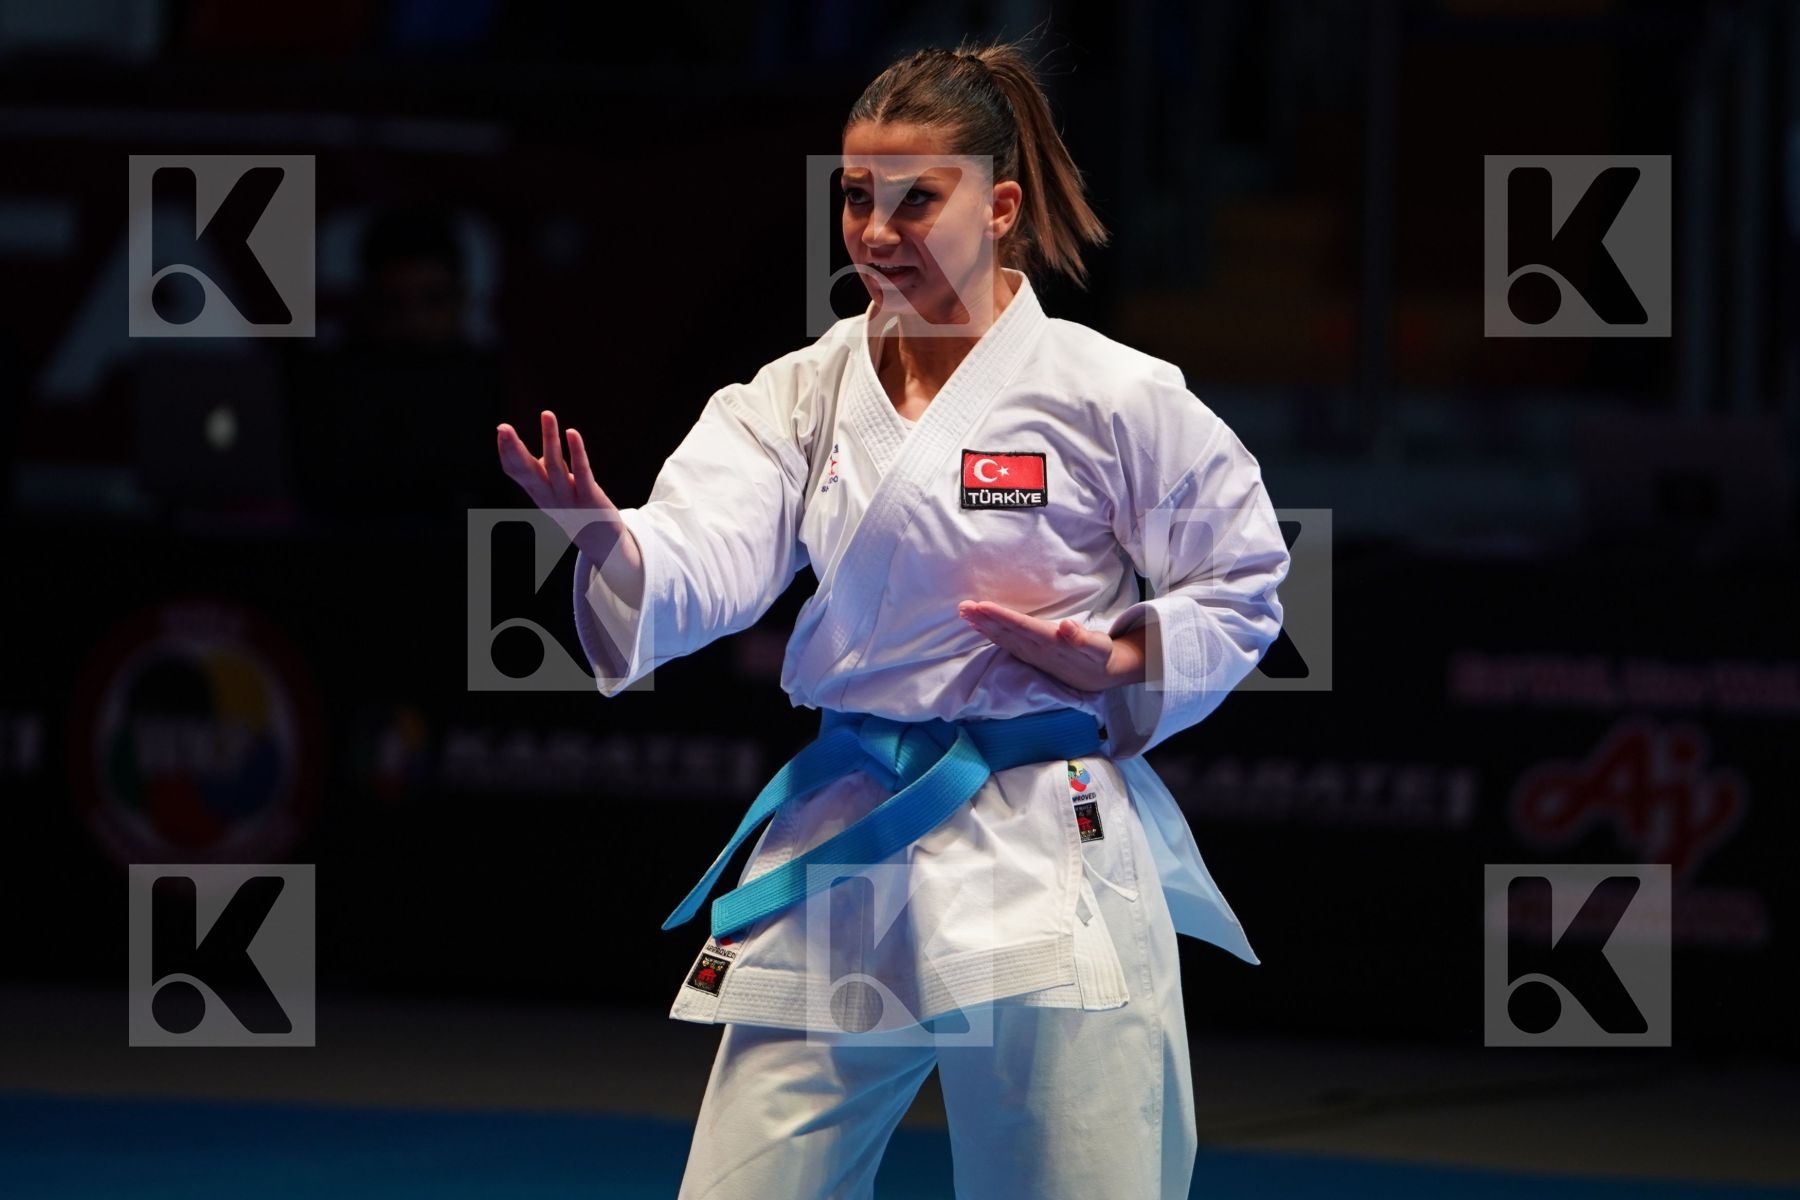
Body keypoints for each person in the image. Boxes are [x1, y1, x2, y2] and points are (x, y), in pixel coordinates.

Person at [496, 37, 1289, 1200]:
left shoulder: (1110, 395)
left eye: (918, 198)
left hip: (1041, 840)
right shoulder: (800, 392)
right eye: (856, 196)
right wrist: (621, 544)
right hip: (850, 831)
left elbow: (1244, 575)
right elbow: (711, 542)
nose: (875, 229)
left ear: (1001, 205)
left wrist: (1127, 653)